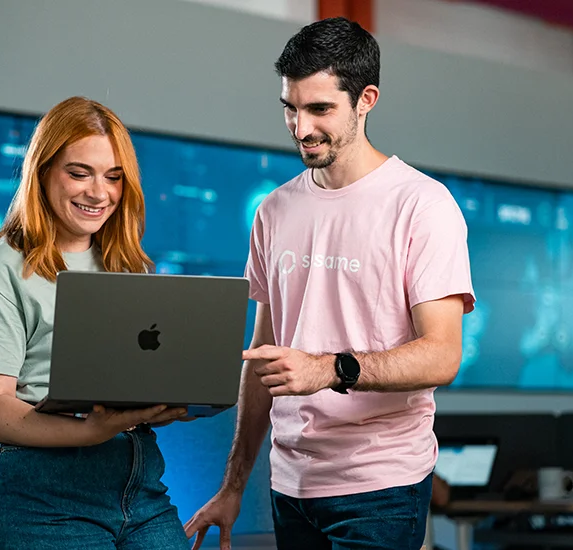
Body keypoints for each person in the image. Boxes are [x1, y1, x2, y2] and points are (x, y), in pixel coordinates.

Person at [185, 17, 476, 550]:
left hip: (381, 486)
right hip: (289, 485)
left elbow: (442, 355)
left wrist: (327, 369)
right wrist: (233, 484)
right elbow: (262, 356)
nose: (301, 128)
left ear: (366, 99)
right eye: (290, 108)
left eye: (320, 109)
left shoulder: (422, 206)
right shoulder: (273, 211)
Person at [0, 96, 192, 550]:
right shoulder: (1, 270)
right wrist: (90, 431)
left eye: (113, 177)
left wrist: (160, 404)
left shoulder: (129, 268)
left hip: (141, 487)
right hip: (44, 497)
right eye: (79, 173)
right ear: (43, 172)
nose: (98, 193)